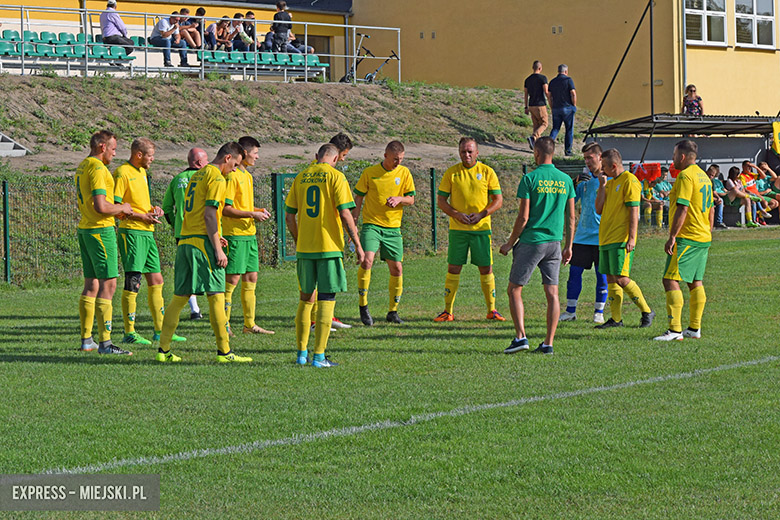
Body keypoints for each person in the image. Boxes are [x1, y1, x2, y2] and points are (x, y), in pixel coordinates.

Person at [157, 142, 252, 363]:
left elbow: (197, 211)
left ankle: (163, 350)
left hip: (185, 241)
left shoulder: (196, 176)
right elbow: (209, 214)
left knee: (179, 298)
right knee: (216, 296)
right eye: (235, 165)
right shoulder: (216, 177)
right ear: (227, 158)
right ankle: (225, 353)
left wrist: (216, 235)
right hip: (202, 245)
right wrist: (217, 249)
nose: (234, 170)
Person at [285, 143, 365, 368]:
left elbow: (289, 216)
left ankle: (301, 354)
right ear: (336, 158)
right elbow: (345, 213)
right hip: (328, 248)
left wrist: (299, 239)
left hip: (305, 249)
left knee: (305, 299)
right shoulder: (336, 177)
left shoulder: (300, 177)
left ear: (316, 156)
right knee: (327, 299)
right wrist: (358, 245)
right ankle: (319, 357)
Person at [499, 136, 575, 355]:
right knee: (552, 293)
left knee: (514, 289)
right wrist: (568, 246)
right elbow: (571, 218)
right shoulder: (566, 180)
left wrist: (510, 243)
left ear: (537, 153)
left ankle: (520, 337)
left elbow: (523, 218)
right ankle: (548, 343)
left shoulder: (529, 178)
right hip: (554, 243)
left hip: (532, 242)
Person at [113, 138, 185, 347]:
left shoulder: (142, 173)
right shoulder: (122, 173)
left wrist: (153, 210)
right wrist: (141, 217)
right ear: (139, 155)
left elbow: (138, 203)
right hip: (132, 232)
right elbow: (117, 206)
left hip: (147, 232)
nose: (152, 160)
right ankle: (129, 332)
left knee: (156, 279)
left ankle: (160, 330)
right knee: (133, 280)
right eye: (150, 156)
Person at [435, 137, 504, 322]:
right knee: (454, 267)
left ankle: (492, 310)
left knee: (486, 268)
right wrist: (455, 214)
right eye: (463, 151)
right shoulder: (452, 173)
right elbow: (441, 201)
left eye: (470, 151)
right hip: (458, 230)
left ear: (477, 153)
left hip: (481, 229)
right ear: (459, 152)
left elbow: (498, 200)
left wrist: (482, 214)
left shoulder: (487, 172)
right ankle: (448, 311)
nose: (466, 155)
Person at [75, 130, 132, 355]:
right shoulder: (98, 168)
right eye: (113, 149)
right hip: (100, 230)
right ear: (102, 147)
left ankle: (86, 340)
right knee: (109, 284)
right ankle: (106, 344)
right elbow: (100, 206)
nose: (114, 154)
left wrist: (115, 210)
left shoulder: (83, 165)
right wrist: (122, 208)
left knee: (91, 285)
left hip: (86, 229)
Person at [654, 140, 713, 341]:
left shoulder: (685, 176)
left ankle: (675, 330)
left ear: (682, 156)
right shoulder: (704, 177)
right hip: (702, 236)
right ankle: (694, 328)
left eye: (673, 155)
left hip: (687, 237)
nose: (672, 159)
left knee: (670, 279)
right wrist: (708, 230)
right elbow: (711, 208)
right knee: (695, 281)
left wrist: (672, 236)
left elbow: (683, 207)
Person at [352, 140, 416, 325]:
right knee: (367, 260)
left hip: (393, 228)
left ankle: (393, 311)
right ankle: (363, 306)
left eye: (401, 159)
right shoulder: (370, 173)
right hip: (372, 225)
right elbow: (359, 197)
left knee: (397, 268)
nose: (398, 162)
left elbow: (411, 199)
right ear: (386, 155)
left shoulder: (404, 173)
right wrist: (354, 222)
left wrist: (399, 199)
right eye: (395, 159)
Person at [594, 148, 655, 329]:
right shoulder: (609, 183)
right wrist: (602, 186)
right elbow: (598, 209)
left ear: (614, 166)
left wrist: (632, 238)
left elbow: (634, 211)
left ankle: (647, 311)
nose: (602, 170)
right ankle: (616, 319)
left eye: (604, 167)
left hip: (621, 238)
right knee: (611, 278)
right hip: (605, 238)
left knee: (621, 278)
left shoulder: (630, 180)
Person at [222, 136, 274, 336]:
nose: (257, 157)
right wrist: (252, 214)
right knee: (232, 281)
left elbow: (243, 206)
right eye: (255, 153)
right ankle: (224, 325)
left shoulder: (248, 176)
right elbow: (226, 209)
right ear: (244, 153)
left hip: (249, 234)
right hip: (234, 235)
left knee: (251, 278)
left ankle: (249, 325)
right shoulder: (232, 176)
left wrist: (257, 211)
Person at [559, 141, 608, 324]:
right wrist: (574, 182)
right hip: (582, 237)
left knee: (602, 275)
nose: (587, 161)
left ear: (600, 157)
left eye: (590, 157)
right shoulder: (584, 181)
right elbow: (568, 199)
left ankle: (599, 312)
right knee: (574, 274)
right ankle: (570, 311)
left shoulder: (609, 180)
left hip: (602, 237)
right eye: (585, 158)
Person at [162, 147, 208, 320]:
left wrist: (176, 225)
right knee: (210, 269)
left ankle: (195, 309)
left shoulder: (177, 179)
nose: (209, 163)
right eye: (206, 160)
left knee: (187, 271)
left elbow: (167, 208)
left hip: (182, 233)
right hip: (203, 231)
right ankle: (219, 309)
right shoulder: (206, 178)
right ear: (199, 162)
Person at [548, 64, 577, 156]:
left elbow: (549, 96)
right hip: (567, 108)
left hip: (556, 108)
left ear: (558, 71)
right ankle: (568, 151)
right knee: (569, 130)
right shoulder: (568, 80)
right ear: (566, 71)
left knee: (555, 129)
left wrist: (552, 107)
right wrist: (574, 105)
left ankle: (547, 147)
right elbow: (573, 93)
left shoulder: (552, 81)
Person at [523, 60, 550, 149]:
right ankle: (533, 137)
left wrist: (526, 107)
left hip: (531, 105)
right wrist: (551, 101)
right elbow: (546, 91)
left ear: (532, 68)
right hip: (540, 104)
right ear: (540, 68)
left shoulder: (527, 79)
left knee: (536, 125)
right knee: (544, 123)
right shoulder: (543, 78)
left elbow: (526, 94)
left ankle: (535, 146)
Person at [706, 165, 728, 229]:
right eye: (709, 174)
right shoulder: (704, 180)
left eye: (712, 175)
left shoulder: (712, 181)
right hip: (704, 198)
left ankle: (719, 222)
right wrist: (714, 198)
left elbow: (714, 192)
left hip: (710, 198)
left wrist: (718, 198)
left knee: (720, 201)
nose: (710, 176)